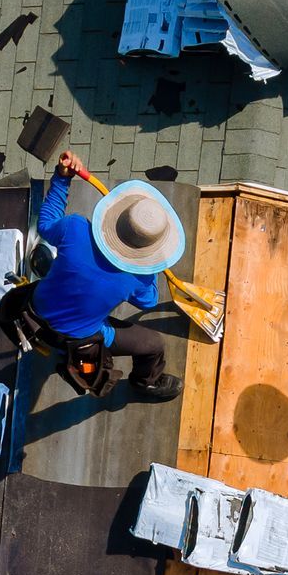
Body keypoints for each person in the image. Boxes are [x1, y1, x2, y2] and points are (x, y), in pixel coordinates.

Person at [26, 151, 186, 402]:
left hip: (34, 312)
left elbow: (46, 223)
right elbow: (149, 301)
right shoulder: (134, 279)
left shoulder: (75, 228)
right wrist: (149, 265)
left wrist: (62, 178)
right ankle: (146, 382)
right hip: (77, 338)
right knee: (154, 345)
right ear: (147, 248)